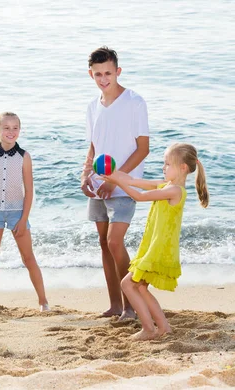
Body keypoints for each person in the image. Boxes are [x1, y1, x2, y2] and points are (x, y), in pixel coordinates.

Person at [101, 143, 209, 340]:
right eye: (164, 163)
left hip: (159, 249)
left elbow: (140, 196)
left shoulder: (175, 191)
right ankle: (163, 327)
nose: (163, 167)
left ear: (183, 168)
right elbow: (133, 180)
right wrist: (116, 174)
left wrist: (117, 181)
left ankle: (149, 329)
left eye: (168, 164)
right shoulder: (165, 185)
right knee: (139, 287)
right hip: (154, 246)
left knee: (128, 284)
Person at [81, 46, 150, 321]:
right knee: (103, 242)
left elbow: (143, 148)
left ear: (117, 71)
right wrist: (86, 174)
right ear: (91, 74)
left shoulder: (134, 102)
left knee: (114, 242)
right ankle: (115, 305)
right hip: (98, 186)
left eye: (108, 73)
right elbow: (93, 146)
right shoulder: (92, 107)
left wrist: (116, 178)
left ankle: (132, 304)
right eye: (98, 74)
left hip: (123, 186)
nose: (103, 78)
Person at [0, 112, 49, 313]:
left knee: (28, 257)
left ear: (19, 130)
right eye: (6, 128)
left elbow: (30, 190)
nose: (11, 132)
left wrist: (24, 218)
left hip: (18, 212)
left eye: (15, 128)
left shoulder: (24, 157)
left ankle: (43, 301)